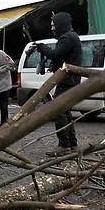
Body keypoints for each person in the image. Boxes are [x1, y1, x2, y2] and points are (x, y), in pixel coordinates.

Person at [33, 11, 82, 156]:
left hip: (67, 80)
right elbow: (62, 57)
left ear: (61, 24)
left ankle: (64, 146)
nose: (52, 28)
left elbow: (56, 54)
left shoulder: (67, 37)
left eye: (54, 25)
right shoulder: (71, 36)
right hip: (70, 80)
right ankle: (72, 145)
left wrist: (42, 47)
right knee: (65, 112)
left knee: (58, 111)